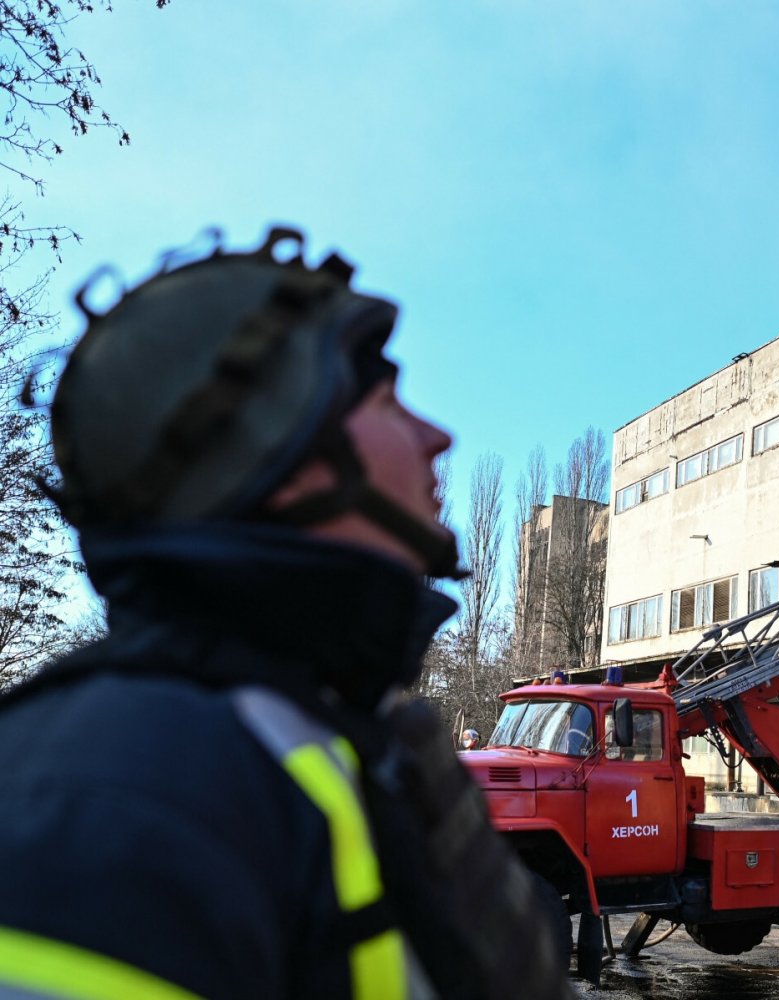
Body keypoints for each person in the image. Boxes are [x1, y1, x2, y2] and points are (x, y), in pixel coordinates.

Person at [0, 228, 574, 1000]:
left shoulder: (328, 725)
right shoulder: (120, 798)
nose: (438, 436)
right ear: (288, 458)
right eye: (388, 401)